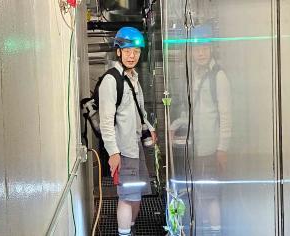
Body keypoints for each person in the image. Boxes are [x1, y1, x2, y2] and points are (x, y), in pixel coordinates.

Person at [171, 24, 231, 235]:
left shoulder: (218, 76)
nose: (201, 52)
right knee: (199, 195)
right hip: (195, 149)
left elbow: (226, 116)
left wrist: (222, 149)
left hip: (210, 149)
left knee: (210, 196)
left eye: (205, 47)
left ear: (211, 48)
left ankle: (214, 232)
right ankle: (205, 230)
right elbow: (193, 112)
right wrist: (175, 125)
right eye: (197, 49)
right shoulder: (195, 75)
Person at [99, 26, 157, 236]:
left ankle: (130, 229)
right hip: (123, 151)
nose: (132, 55)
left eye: (136, 51)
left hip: (135, 148)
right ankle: (124, 232)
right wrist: (113, 153)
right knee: (127, 196)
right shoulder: (111, 80)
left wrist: (149, 128)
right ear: (118, 51)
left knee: (136, 194)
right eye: (128, 50)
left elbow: (138, 110)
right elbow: (106, 122)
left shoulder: (133, 77)